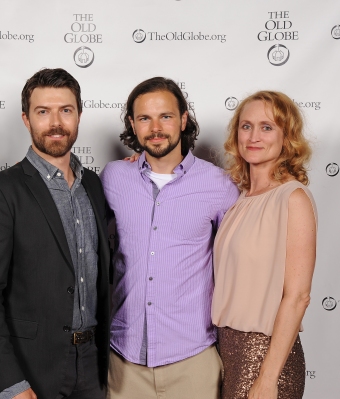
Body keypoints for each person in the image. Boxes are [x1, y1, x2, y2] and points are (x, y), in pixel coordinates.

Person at [0, 68, 110, 399]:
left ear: (79, 115)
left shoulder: (94, 184)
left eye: (66, 110)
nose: (55, 122)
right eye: (43, 112)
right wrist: (9, 382)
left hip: (92, 364)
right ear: (26, 119)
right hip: (30, 367)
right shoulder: (0, 191)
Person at [100, 77, 239, 399]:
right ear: (133, 125)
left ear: (184, 119)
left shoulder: (219, 186)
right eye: (145, 118)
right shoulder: (113, 177)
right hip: (124, 361)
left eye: (165, 116)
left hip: (193, 360)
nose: (156, 128)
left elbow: (241, 260)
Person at [211, 91, 317, 399]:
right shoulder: (239, 199)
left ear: (287, 137)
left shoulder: (292, 198)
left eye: (267, 127)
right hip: (225, 351)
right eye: (246, 126)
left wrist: (268, 378)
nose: (254, 136)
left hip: (265, 356)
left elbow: (298, 296)